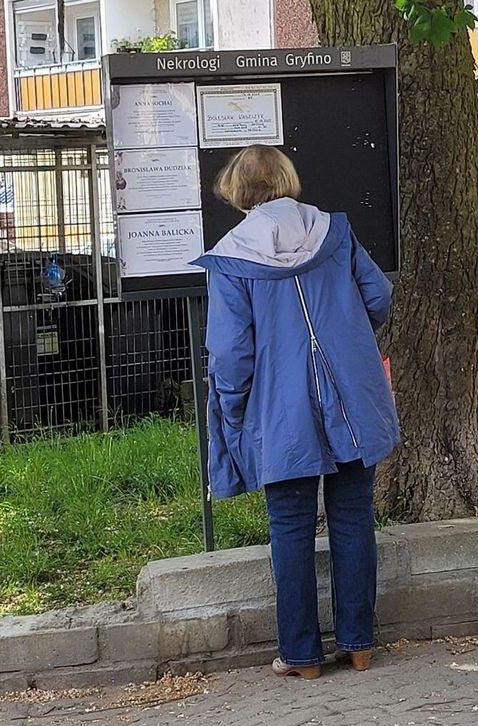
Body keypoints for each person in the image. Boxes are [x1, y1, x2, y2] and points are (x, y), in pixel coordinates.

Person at [195, 146, 400, 680]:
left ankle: (303, 656)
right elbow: (378, 296)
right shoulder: (335, 232)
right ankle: (358, 645)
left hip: (281, 410)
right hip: (353, 398)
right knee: (353, 516)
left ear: (237, 192)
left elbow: (231, 353)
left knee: (289, 525)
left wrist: (236, 412)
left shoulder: (231, 257)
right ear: (287, 179)